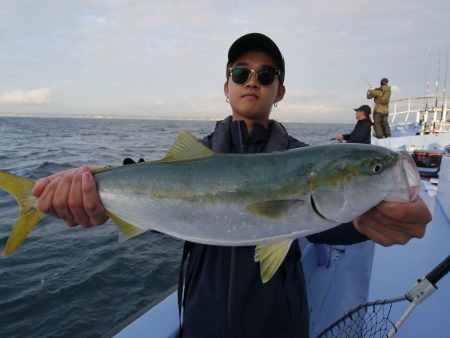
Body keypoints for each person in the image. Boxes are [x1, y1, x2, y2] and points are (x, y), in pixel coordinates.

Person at [31, 33, 431, 338]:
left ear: (280, 90)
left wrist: (368, 221)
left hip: (279, 324)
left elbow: (331, 217)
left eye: (266, 74)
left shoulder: (304, 158)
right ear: (227, 87)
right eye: (240, 73)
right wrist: (93, 186)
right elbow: (151, 182)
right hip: (201, 321)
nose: (251, 81)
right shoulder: (195, 156)